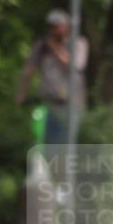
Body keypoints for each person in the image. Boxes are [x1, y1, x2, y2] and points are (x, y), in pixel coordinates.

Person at [16, 9, 89, 145]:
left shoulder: (78, 43)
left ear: (67, 26)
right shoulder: (42, 46)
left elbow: (74, 67)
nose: (55, 29)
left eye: (58, 25)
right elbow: (29, 69)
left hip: (70, 105)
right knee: (44, 142)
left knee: (65, 144)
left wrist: (54, 48)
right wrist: (22, 92)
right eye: (52, 26)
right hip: (48, 103)